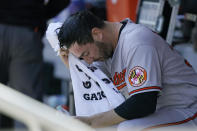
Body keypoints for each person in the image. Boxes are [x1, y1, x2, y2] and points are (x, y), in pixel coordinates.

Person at [57, 10, 197, 130]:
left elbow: (143, 102)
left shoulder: (136, 42)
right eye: (82, 58)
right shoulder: (103, 50)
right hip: (161, 111)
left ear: (97, 33)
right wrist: (72, 63)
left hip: (187, 108)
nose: (89, 60)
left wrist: (91, 122)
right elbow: (96, 86)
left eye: (86, 54)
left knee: (128, 128)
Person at [0, 0, 70, 128]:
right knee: (26, 103)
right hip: (26, 28)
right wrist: (39, 15)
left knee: (26, 103)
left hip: (25, 26)